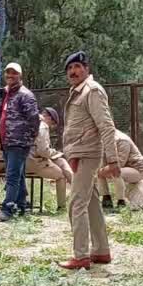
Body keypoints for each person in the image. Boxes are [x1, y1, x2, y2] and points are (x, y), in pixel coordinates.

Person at [59, 50, 120, 270]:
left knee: (76, 203)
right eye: (69, 68)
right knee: (91, 203)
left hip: (87, 154)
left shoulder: (92, 91)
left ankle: (81, 256)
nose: (73, 71)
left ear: (87, 69)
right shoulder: (78, 92)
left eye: (77, 67)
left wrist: (113, 159)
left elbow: (106, 125)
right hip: (81, 153)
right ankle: (101, 251)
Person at [0, 62, 39, 222]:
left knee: (12, 176)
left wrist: (29, 139)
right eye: (8, 73)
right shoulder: (6, 94)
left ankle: (7, 209)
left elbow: (34, 120)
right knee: (18, 175)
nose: (10, 76)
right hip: (6, 140)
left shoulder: (25, 95)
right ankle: (22, 205)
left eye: (14, 73)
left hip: (19, 142)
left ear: (20, 76)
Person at [97, 129, 143, 210]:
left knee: (116, 172)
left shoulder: (122, 140)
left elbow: (119, 164)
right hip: (122, 168)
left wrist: (103, 170)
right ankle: (106, 200)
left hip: (137, 169)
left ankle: (121, 203)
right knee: (99, 172)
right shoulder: (107, 140)